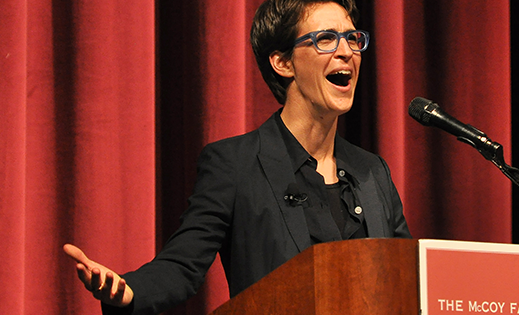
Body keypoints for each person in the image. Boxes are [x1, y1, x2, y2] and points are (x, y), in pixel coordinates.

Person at [63, 0, 412, 313]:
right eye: (326, 39)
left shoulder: (372, 172)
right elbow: (183, 266)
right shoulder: (236, 164)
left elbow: (410, 277)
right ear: (282, 62)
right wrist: (129, 292)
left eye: (353, 39)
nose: (347, 52)